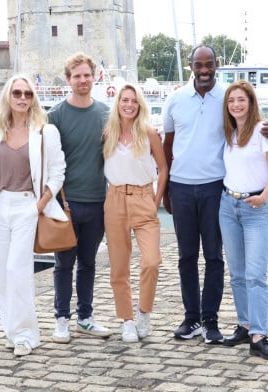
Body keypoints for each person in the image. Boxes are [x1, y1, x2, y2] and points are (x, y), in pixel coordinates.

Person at [162, 44, 268, 344]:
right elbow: (167, 146)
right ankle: (192, 319)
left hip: (216, 187)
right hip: (181, 187)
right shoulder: (174, 100)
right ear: (190, 66)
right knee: (187, 256)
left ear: (216, 64)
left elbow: (250, 121)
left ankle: (210, 320)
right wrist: (165, 191)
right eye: (198, 65)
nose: (204, 70)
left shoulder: (227, 97)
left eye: (209, 64)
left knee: (214, 256)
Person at [0, 74, 66, 356]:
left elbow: (58, 172)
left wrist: (40, 204)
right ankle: (12, 329)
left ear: (33, 98)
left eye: (28, 94)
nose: (22, 98)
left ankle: (25, 334)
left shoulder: (45, 131)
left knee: (17, 269)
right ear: (8, 96)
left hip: (26, 205)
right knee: (0, 273)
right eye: (17, 93)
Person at [47, 52, 112, 343]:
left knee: (88, 263)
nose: (83, 80)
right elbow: (46, 162)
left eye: (87, 75)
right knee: (63, 263)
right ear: (68, 79)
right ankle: (62, 318)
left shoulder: (106, 114)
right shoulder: (55, 116)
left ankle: (85, 317)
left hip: (98, 201)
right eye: (77, 76)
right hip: (67, 203)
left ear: (95, 76)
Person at [219, 80, 268, 360]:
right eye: (231, 100)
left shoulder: (263, 131)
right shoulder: (229, 132)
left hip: (256, 208)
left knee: (256, 275)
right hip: (228, 206)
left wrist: (263, 197)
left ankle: (259, 334)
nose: (236, 104)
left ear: (251, 102)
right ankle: (244, 325)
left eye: (241, 100)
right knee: (237, 274)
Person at [102, 83, 168, 342]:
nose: (128, 105)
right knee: (119, 266)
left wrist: (156, 200)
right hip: (115, 199)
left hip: (143, 199)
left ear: (140, 105)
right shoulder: (108, 134)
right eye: (124, 100)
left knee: (151, 261)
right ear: (117, 103)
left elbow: (163, 168)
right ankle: (127, 320)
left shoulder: (149, 132)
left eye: (133, 101)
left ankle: (144, 312)